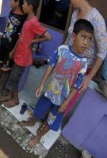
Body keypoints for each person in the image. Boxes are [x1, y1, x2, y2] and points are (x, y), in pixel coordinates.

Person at [20, 19, 94, 147]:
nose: (86, 43)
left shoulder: (83, 63)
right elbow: (51, 65)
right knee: (38, 110)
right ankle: (33, 121)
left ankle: (38, 137)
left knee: (52, 120)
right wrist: (42, 84)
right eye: (83, 37)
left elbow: (77, 86)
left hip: (62, 98)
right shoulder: (62, 49)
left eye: (89, 39)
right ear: (74, 36)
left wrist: (67, 102)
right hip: (49, 91)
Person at [0, 0, 51, 107]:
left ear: (30, 7)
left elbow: (48, 36)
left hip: (24, 57)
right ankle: (10, 95)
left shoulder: (34, 22)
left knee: (14, 78)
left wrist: (33, 41)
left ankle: (15, 99)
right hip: (18, 53)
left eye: (25, 4)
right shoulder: (27, 19)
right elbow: (21, 36)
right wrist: (13, 51)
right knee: (13, 76)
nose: (22, 5)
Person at [63, 0, 107, 114]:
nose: (70, 0)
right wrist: (61, 53)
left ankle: (53, 122)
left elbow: (103, 50)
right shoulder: (75, 14)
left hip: (83, 68)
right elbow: (70, 37)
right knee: (58, 90)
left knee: (68, 98)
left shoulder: (96, 18)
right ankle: (47, 117)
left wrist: (89, 77)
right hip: (67, 61)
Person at [0, 0, 26, 96]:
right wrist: (3, 35)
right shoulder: (12, 12)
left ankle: (2, 86)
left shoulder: (23, 18)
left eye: (12, 0)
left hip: (11, 48)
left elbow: (20, 36)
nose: (10, 2)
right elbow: (8, 27)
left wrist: (13, 50)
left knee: (6, 69)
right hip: (4, 43)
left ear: (17, 2)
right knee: (0, 64)